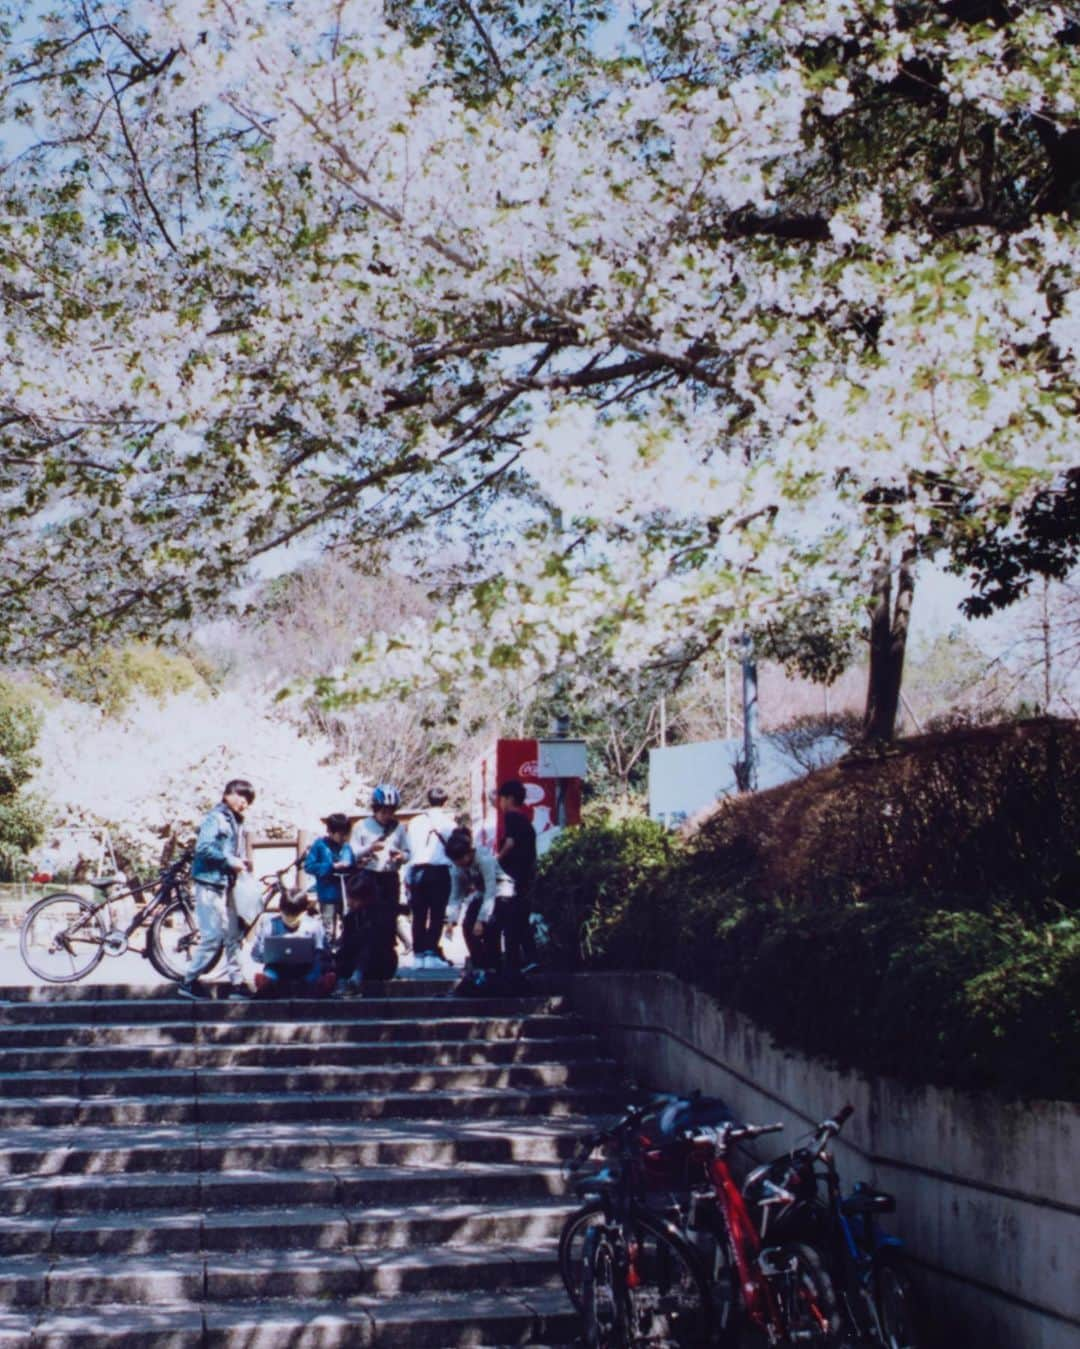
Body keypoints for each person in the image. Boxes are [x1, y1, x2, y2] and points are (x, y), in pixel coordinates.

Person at [178, 778, 255, 1001]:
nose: (245, 803)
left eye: (248, 800)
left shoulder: (234, 821)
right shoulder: (216, 818)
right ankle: (188, 980)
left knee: (233, 936)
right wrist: (230, 861)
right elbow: (203, 849)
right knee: (212, 936)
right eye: (242, 797)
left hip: (227, 883)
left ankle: (237, 984)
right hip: (209, 882)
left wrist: (238, 862)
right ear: (228, 794)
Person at [349, 784, 410, 980]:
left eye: (391, 811)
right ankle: (363, 965)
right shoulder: (361, 826)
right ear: (375, 809)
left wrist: (401, 856)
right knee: (367, 922)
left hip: (390, 877)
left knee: (388, 923)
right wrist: (369, 849)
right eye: (383, 811)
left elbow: (409, 853)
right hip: (368, 877)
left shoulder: (398, 828)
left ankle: (386, 966)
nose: (387, 815)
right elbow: (352, 852)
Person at [443, 827, 514, 973]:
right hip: (482, 894)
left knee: (490, 928)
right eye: (455, 861)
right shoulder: (457, 867)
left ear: (468, 853)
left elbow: (491, 890)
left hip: (501, 891)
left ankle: (494, 967)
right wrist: (450, 920)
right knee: (468, 926)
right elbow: (456, 895)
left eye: (461, 859)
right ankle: (480, 965)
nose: (459, 864)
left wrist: (481, 919)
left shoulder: (484, 859)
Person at [404, 787, 457, 970]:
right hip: (440, 871)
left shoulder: (414, 822)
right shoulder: (449, 823)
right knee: (436, 914)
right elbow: (454, 848)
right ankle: (431, 953)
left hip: (417, 870)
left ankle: (418, 955)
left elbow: (409, 848)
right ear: (445, 801)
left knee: (418, 915)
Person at [251, 887, 336, 997]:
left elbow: (324, 954)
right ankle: (265, 984)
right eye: (287, 914)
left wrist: (318, 958)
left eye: (295, 915)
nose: (290, 919)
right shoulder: (270, 925)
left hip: (307, 967)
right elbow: (256, 954)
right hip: (278, 967)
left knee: (314, 973)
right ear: (280, 909)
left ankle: (322, 984)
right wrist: (268, 954)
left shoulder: (314, 926)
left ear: (304, 911)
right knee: (270, 974)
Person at [495, 780, 540, 974]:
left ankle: (513, 962)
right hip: (526, 875)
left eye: (501, 799)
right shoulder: (525, 821)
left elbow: (511, 842)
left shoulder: (512, 817)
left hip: (514, 877)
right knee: (521, 919)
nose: (500, 803)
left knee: (512, 921)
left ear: (509, 799)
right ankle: (530, 958)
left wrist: (496, 859)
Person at [302, 813, 356, 945]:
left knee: (349, 927)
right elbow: (309, 866)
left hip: (346, 895)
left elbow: (353, 865)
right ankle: (327, 957)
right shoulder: (319, 845)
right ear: (330, 832)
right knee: (328, 929)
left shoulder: (347, 846)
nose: (344, 837)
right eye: (340, 834)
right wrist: (331, 867)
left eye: (346, 834)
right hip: (327, 895)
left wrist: (351, 866)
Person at [334, 869, 376, 997]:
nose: (350, 902)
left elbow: (378, 944)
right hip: (354, 958)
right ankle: (343, 983)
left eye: (354, 899)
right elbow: (346, 943)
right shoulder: (350, 917)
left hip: (376, 961)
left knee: (367, 946)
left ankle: (355, 979)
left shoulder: (378, 916)